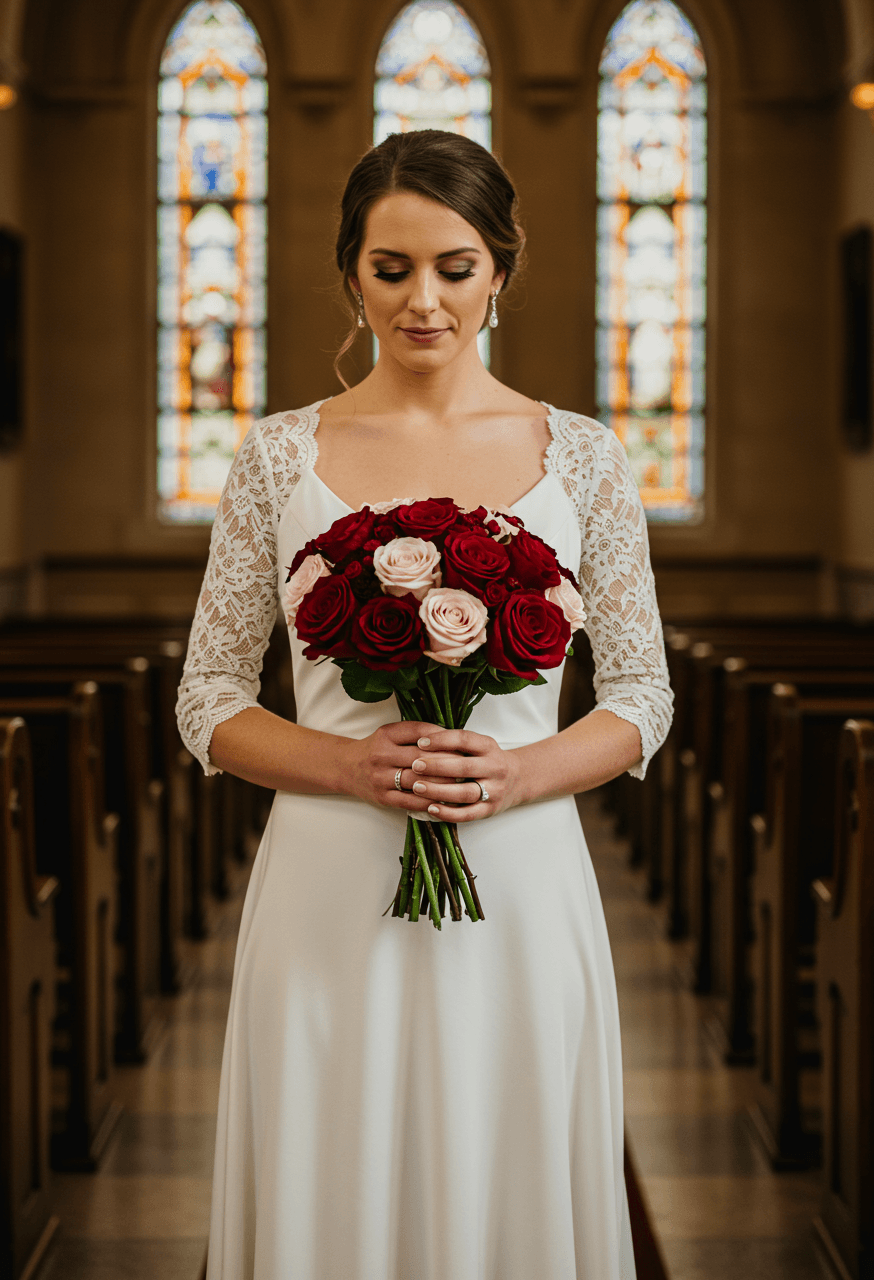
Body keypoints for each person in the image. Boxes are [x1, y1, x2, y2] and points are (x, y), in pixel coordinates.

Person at [177, 128, 673, 1280]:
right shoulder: (273, 455)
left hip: (520, 875)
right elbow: (205, 695)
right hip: (327, 874)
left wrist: (519, 771)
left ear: (500, 267)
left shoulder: (586, 458)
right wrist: (349, 766)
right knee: (329, 1163)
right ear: (350, 271)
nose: (423, 300)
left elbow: (641, 692)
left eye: (452, 266)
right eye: (390, 268)